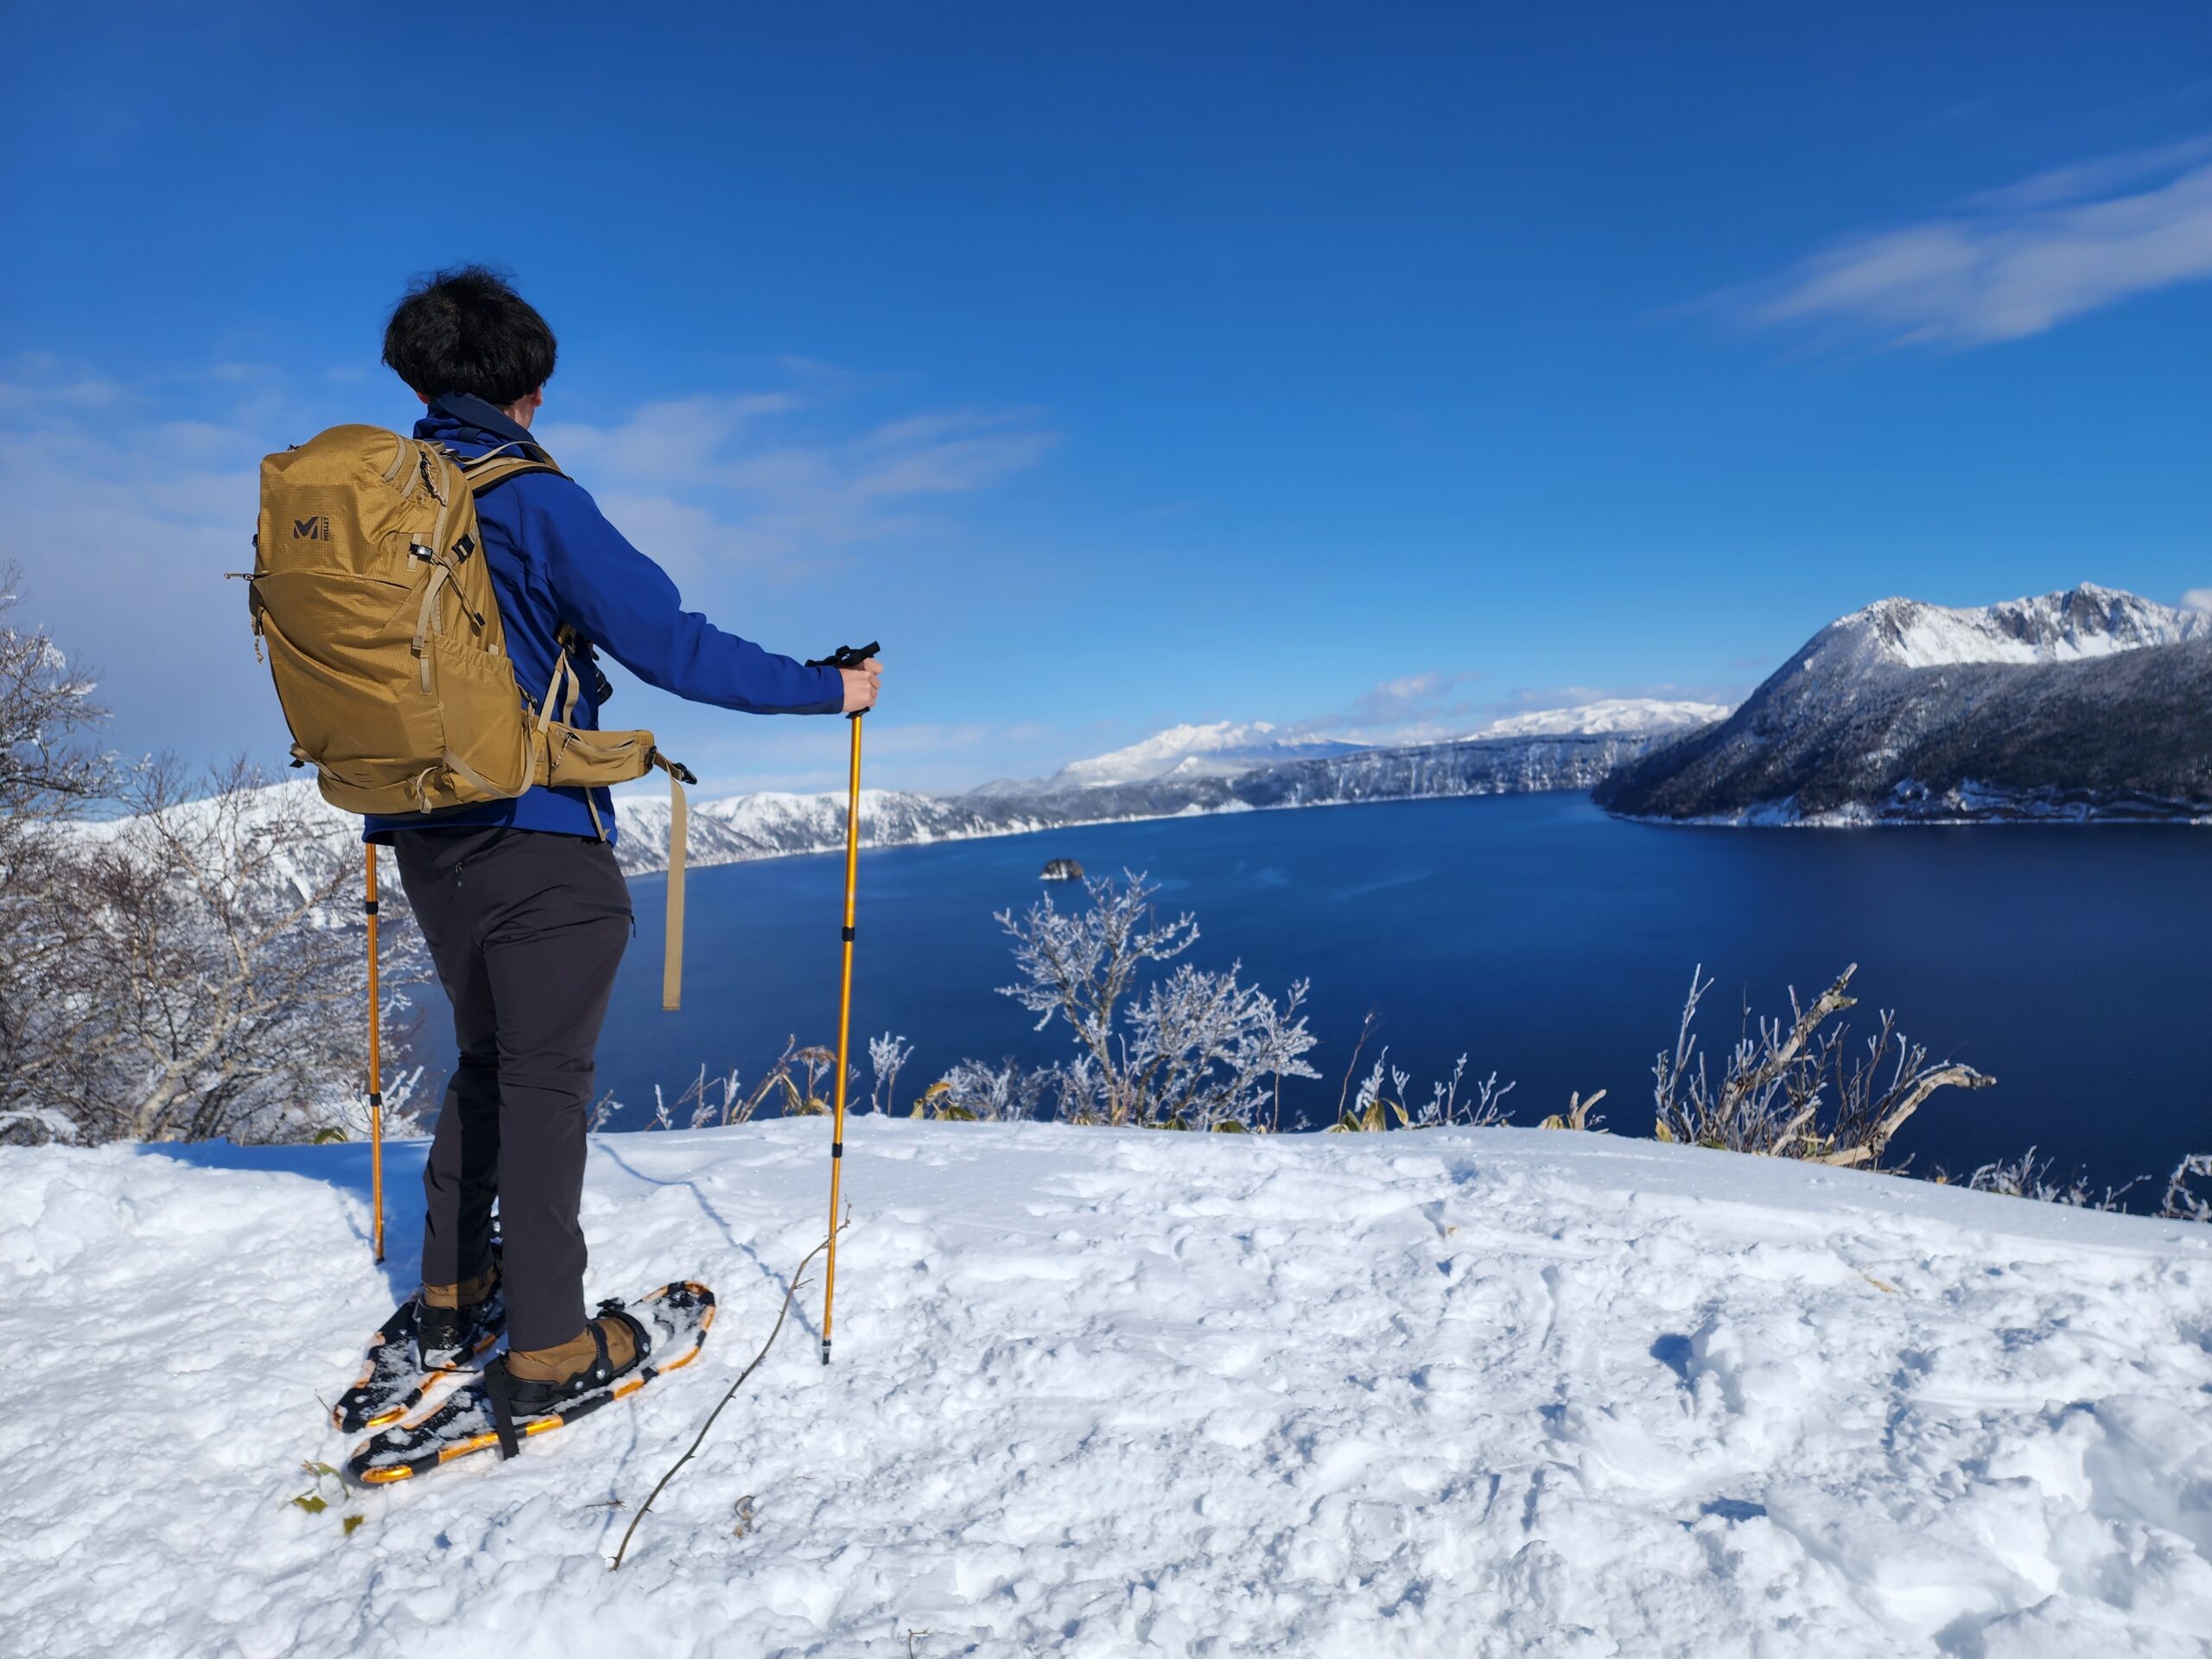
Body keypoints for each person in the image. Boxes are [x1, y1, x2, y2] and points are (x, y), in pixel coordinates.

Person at [368, 265, 881, 1415]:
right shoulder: (530, 498)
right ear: (529, 388)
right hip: (539, 837)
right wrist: (830, 690)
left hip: (419, 836)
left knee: (489, 1059)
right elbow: (672, 645)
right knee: (545, 1081)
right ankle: (549, 1345)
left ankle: (452, 1291)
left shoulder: (379, 505)